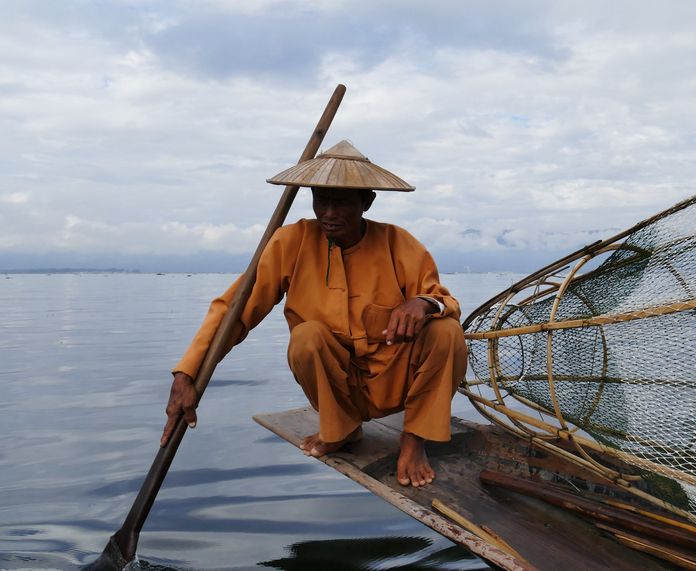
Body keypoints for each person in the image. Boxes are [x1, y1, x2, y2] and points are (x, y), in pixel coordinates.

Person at [160, 141, 467, 488]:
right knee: (307, 337)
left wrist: (424, 303)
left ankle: (413, 440)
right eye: (321, 200)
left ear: (366, 202)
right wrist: (188, 372)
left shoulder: (398, 243)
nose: (329, 213)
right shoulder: (291, 242)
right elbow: (235, 310)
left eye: (341, 202)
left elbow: (446, 301)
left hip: (392, 379)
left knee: (447, 332)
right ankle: (342, 429)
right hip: (336, 386)